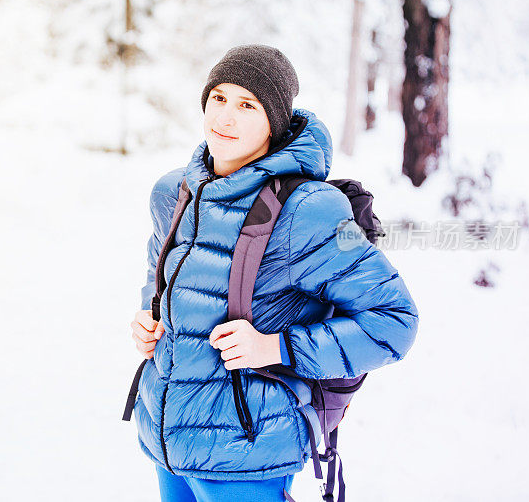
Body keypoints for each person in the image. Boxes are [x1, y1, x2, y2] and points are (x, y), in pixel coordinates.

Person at [128, 44, 419, 502]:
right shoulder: (176, 193)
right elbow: (160, 277)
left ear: (274, 123)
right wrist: (151, 321)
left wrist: (275, 346)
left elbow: (393, 322)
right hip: (169, 444)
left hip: (248, 452)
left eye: (247, 105)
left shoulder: (305, 211)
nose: (225, 117)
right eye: (219, 97)